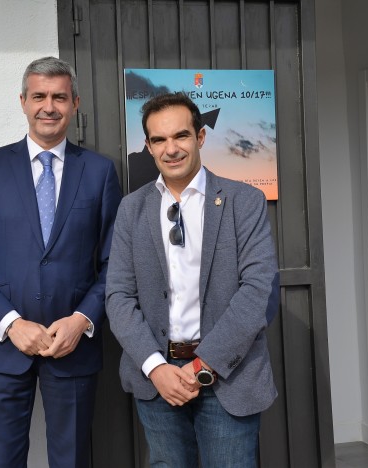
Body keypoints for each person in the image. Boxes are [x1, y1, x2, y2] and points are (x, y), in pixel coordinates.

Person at [0, 56, 121, 468]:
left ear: (75, 103)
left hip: (74, 345)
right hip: (4, 348)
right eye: (39, 96)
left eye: (59, 97)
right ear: (23, 101)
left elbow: (116, 264)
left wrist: (82, 319)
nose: (49, 106)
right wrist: (11, 323)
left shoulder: (99, 172)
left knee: (72, 460)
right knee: (2, 461)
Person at [106, 93, 280, 467]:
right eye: (159, 140)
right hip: (158, 379)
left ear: (200, 137)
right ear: (149, 146)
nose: (171, 149)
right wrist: (156, 367)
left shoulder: (243, 202)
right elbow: (118, 296)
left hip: (228, 377)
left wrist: (203, 366)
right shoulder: (131, 209)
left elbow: (257, 293)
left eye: (181, 136)